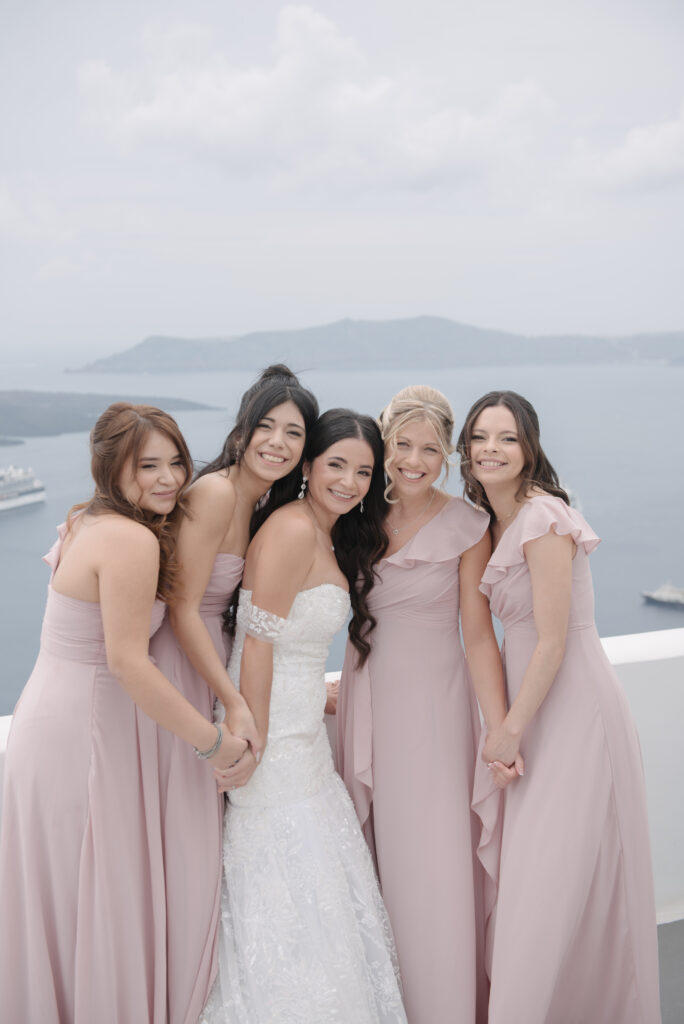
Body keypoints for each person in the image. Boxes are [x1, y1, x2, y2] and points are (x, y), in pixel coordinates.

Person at [0, 403, 247, 1024]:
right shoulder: (132, 539)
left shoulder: (88, 519)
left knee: (63, 897)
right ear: (113, 468)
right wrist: (213, 743)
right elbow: (129, 663)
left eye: (175, 463)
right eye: (148, 467)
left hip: (48, 719)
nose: (168, 479)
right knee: (94, 894)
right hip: (82, 733)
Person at [459, 390, 661, 1023]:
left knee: (550, 883)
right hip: (530, 712)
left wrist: (510, 729)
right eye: (481, 436)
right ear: (466, 448)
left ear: (529, 449)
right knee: (537, 880)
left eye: (507, 438)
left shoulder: (544, 518)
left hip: (571, 712)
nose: (492, 449)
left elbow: (552, 638)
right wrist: (507, 724)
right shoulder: (487, 520)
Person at [201, 409, 407, 1023]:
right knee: (284, 889)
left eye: (364, 471)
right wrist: (254, 741)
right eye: (336, 465)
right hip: (272, 741)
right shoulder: (292, 529)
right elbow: (257, 644)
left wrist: (321, 696)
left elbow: (287, 645)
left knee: (317, 890)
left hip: (303, 733)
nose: (349, 482)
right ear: (310, 465)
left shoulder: (326, 531)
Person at [149, 365, 319, 1021]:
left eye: (294, 433)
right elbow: (183, 607)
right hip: (181, 669)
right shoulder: (218, 493)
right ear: (244, 430)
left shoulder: (261, 504)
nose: (277, 442)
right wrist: (238, 703)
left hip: (208, 671)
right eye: (268, 427)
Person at [336, 385, 506, 1024]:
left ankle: (443, 1005)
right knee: (371, 852)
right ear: (382, 448)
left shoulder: (469, 526)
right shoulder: (353, 513)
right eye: (401, 446)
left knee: (429, 859)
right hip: (367, 697)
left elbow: (479, 633)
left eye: (428, 449)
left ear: (448, 456)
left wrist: (498, 725)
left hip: (435, 710)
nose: (412, 460)